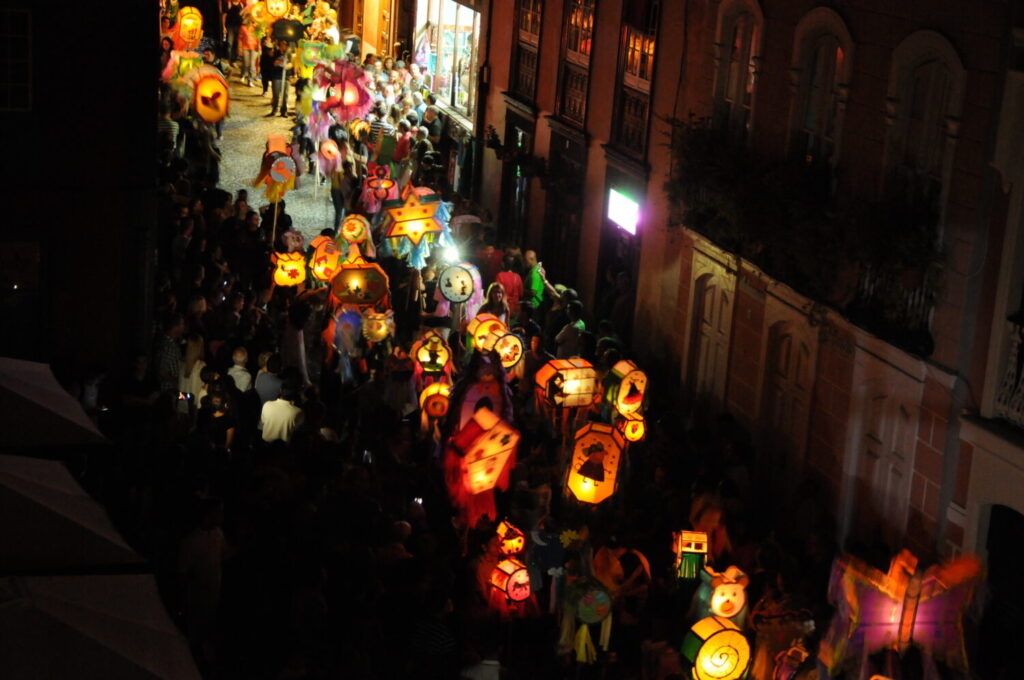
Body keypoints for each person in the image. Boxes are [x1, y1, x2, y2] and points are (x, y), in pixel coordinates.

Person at [154, 312, 185, 393]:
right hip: (169, 390)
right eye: (182, 324)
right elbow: (161, 370)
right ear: (175, 327)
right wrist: (176, 381)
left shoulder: (170, 342)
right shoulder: (168, 346)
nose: (183, 327)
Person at [266, 40, 293, 117]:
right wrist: (280, 62)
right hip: (277, 76)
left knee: (285, 95)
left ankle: (283, 111)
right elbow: (274, 63)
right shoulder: (275, 53)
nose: (283, 46)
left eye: (285, 44)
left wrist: (287, 66)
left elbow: (291, 63)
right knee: (276, 95)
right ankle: (274, 109)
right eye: (282, 44)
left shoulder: (288, 54)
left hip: (286, 77)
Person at [238, 20, 260, 86]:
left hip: (254, 48)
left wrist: (259, 47)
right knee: (246, 63)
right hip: (245, 47)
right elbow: (240, 38)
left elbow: (259, 38)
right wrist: (239, 48)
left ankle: (250, 80)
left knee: (252, 64)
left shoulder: (257, 28)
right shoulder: (243, 28)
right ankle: (243, 74)